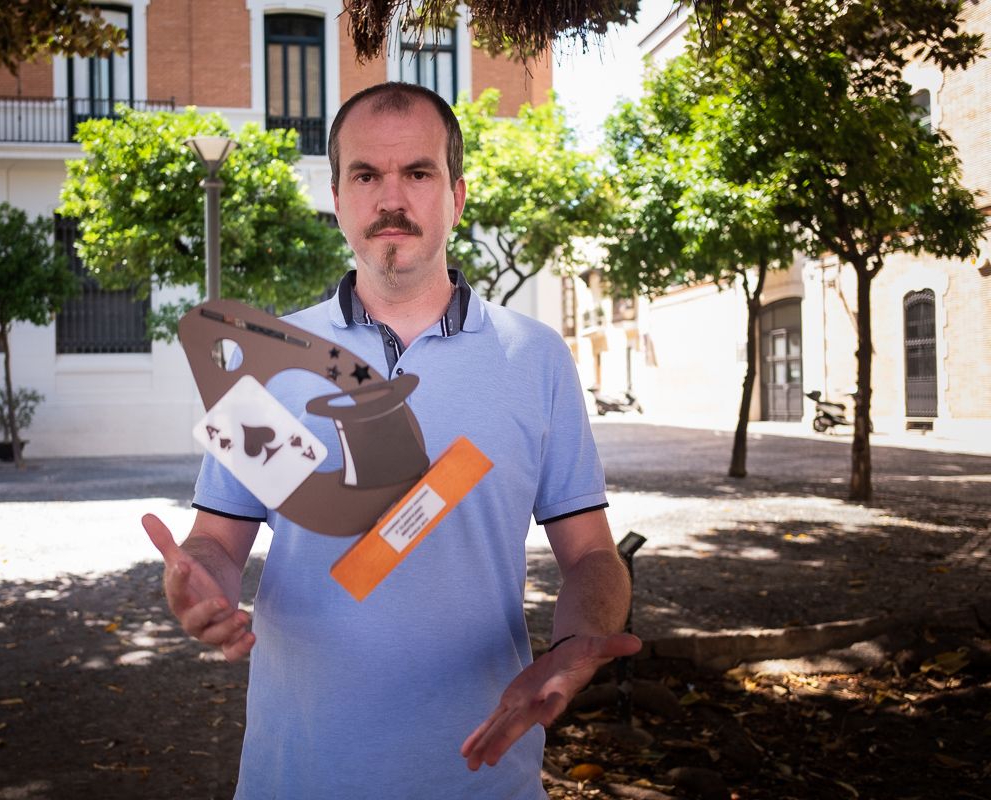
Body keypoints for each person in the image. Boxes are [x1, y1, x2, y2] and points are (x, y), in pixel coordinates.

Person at [143, 81, 640, 799]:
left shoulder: (534, 357)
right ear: (339, 198)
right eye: (366, 175)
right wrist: (195, 584)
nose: (391, 198)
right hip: (300, 773)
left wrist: (573, 649)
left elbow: (591, 556)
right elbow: (217, 543)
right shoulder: (273, 363)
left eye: (418, 172)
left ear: (457, 195)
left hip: (484, 776)